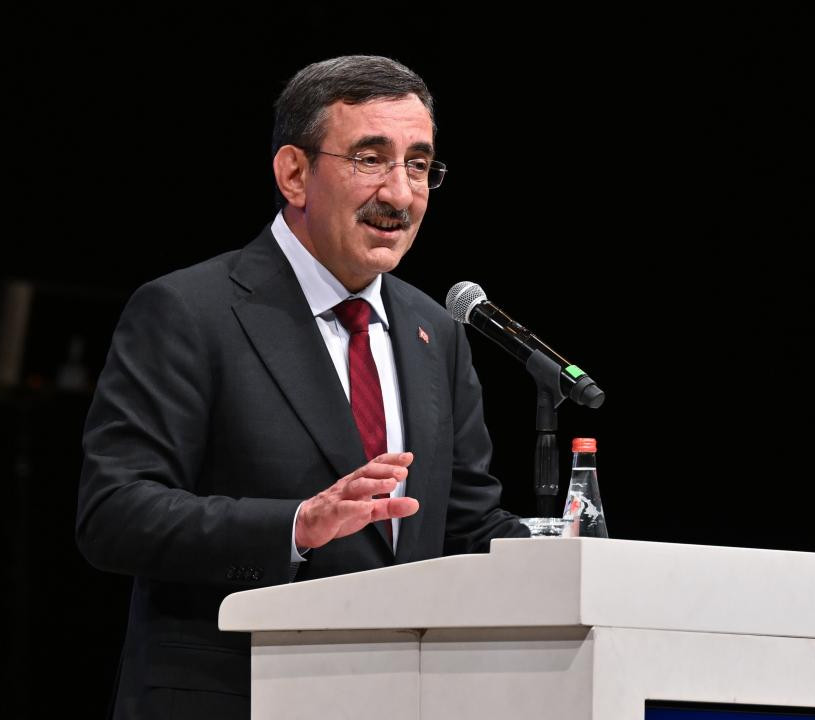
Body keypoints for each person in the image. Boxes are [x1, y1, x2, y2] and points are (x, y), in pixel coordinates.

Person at [75, 55, 528, 719]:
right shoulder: (189, 311)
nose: (400, 194)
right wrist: (295, 526)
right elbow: (114, 515)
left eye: (418, 165)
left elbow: (464, 524)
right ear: (294, 173)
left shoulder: (435, 330)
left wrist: (564, 556)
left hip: (401, 698)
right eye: (370, 159)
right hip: (236, 695)